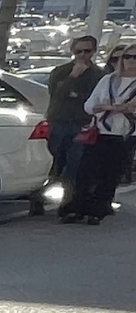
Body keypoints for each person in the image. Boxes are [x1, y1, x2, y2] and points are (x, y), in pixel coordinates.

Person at [63, 46, 136, 223]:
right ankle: (78, 208)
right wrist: (115, 107)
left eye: (135, 57)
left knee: (110, 174)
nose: (131, 60)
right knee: (86, 171)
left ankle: (98, 210)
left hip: (125, 134)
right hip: (100, 132)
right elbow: (89, 106)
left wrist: (112, 107)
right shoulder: (108, 80)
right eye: (127, 56)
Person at [43, 35, 103, 214]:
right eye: (79, 51)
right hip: (58, 122)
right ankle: (38, 199)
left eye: (87, 51)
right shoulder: (61, 71)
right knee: (52, 163)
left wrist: (76, 95)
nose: (83, 55)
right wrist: (73, 76)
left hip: (81, 125)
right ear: (72, 51)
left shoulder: (99, 75)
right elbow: (58, 94)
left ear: (94, 51)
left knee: (74, 166)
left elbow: (93, 99)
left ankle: (67, 204)